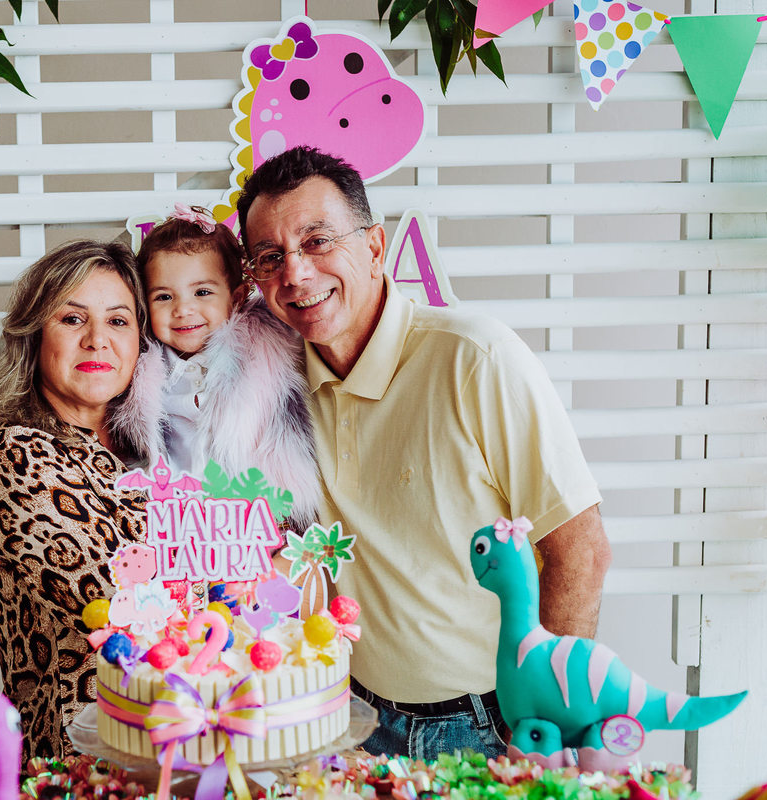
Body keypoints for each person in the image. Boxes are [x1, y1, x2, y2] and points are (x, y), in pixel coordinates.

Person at [234, 146, 613, 760]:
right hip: (349, 718)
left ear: (376, 247)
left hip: (491, 722)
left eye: (318, 241)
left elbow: (581, 551)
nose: (295, 275)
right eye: (270, 257)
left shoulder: (475, 358)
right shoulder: (275, 385)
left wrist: (544, 719)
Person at [0, 240, 148, 761]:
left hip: (193, 748)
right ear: (34, 336)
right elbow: (120, 605)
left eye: (118, 321)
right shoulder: (12, 458)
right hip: (81, 758)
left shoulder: (155, 454)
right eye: (72, 319)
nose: (97, 340)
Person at [111, 203, 320, 530]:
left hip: (252, 523)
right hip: (177, 526)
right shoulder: (143, 373)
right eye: (164, 297)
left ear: (237, 298)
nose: (183, 309)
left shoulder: (264, 352)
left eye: (202, 292)